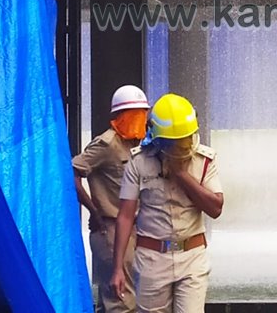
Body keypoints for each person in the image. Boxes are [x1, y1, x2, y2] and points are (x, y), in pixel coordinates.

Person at [110, 93, 224, 313]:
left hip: (192, 256)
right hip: (152, 258)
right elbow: (125, 215)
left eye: (186, 139)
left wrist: (181, 175)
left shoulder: (204, 160)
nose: (183, 146)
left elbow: (216, 207)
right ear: (158, 140)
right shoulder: (139, 162)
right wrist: (118, 269)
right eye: (174, 143)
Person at [72, 84, 150, 313]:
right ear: (119, 116)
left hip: (133, 228)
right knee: (121, 301)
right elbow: (71, 172)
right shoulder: (106, 144)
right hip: (111, 228)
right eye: (133, 114)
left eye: (142, 113)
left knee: (114, 300)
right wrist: (94, 210)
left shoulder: (140, 145)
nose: (139, 119)